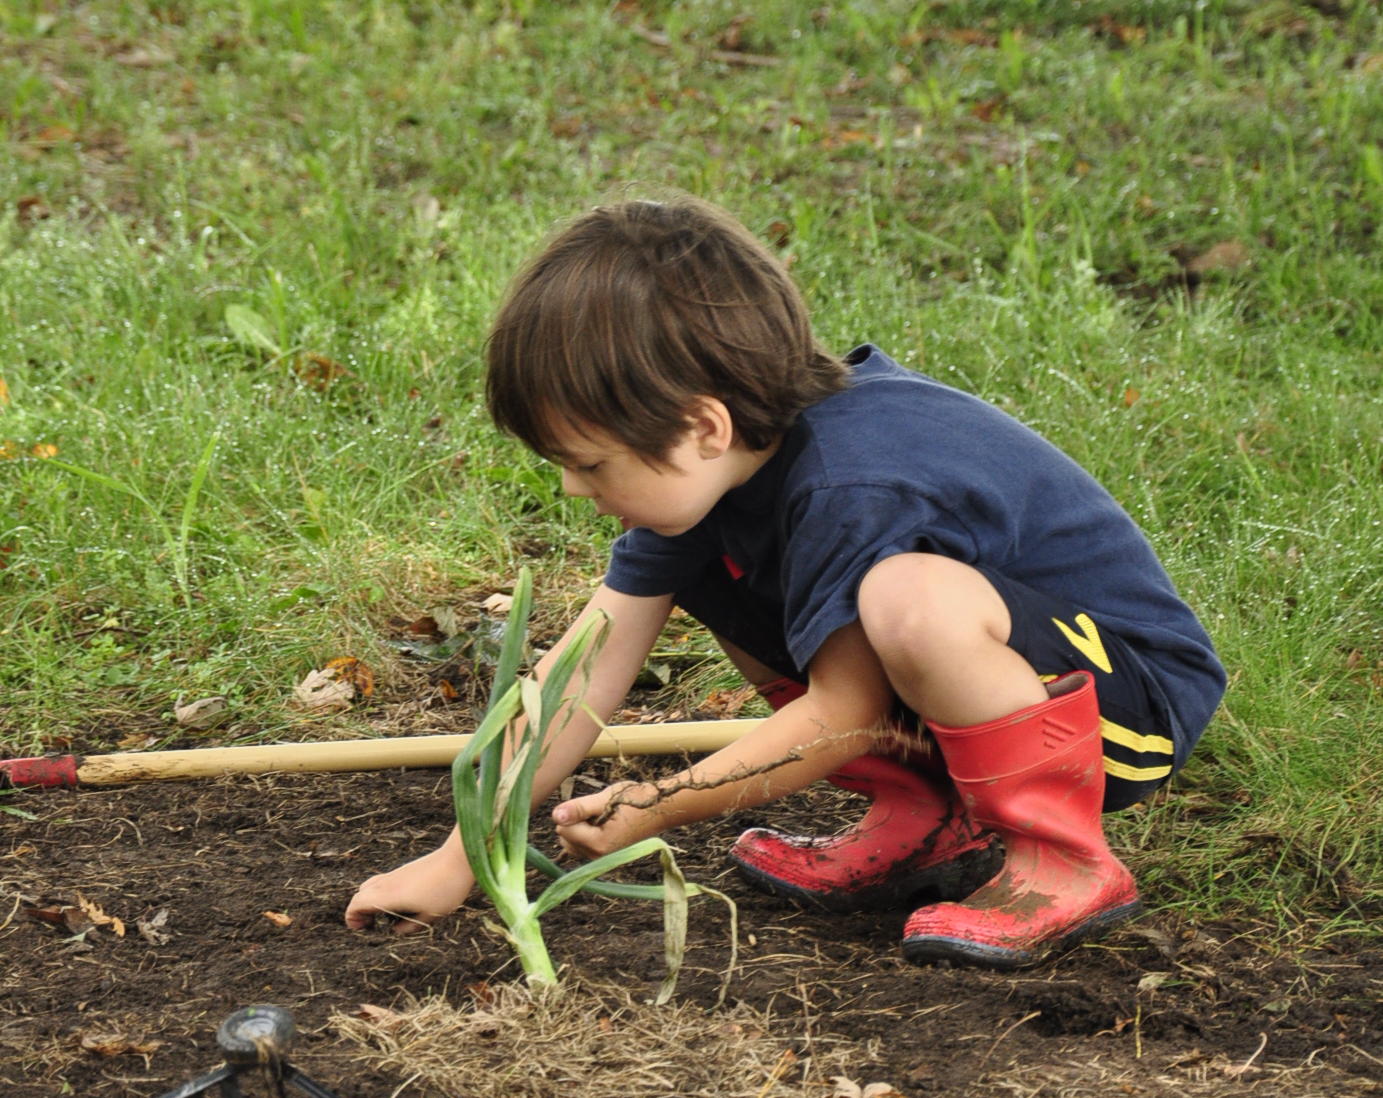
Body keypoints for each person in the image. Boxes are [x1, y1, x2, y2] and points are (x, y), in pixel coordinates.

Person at [345, 199, 1225, 967]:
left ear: (701, 426)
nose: (574, 488)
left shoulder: (853, 484)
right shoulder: (705, 484)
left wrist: (658, 805)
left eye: (587, 462)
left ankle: (1059, 861)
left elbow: (843, 714)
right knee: (737, 573)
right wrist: (458, 855)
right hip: (990, 691)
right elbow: (582, 674)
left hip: (1120, 706)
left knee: (907, 602)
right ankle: (924, 818)